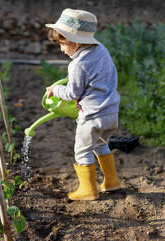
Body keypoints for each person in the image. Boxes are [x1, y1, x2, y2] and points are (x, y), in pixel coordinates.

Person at [45, 8, 121, 200]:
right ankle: (111, 182)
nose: (62, 50)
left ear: (76, 41)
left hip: (92, 116)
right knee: (101, 145)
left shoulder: (77, 65)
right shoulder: (101, 50)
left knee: (82, 151)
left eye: (62, 44)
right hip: (111, 112)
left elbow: (72, 93)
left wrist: (55, 90)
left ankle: (88, 190)